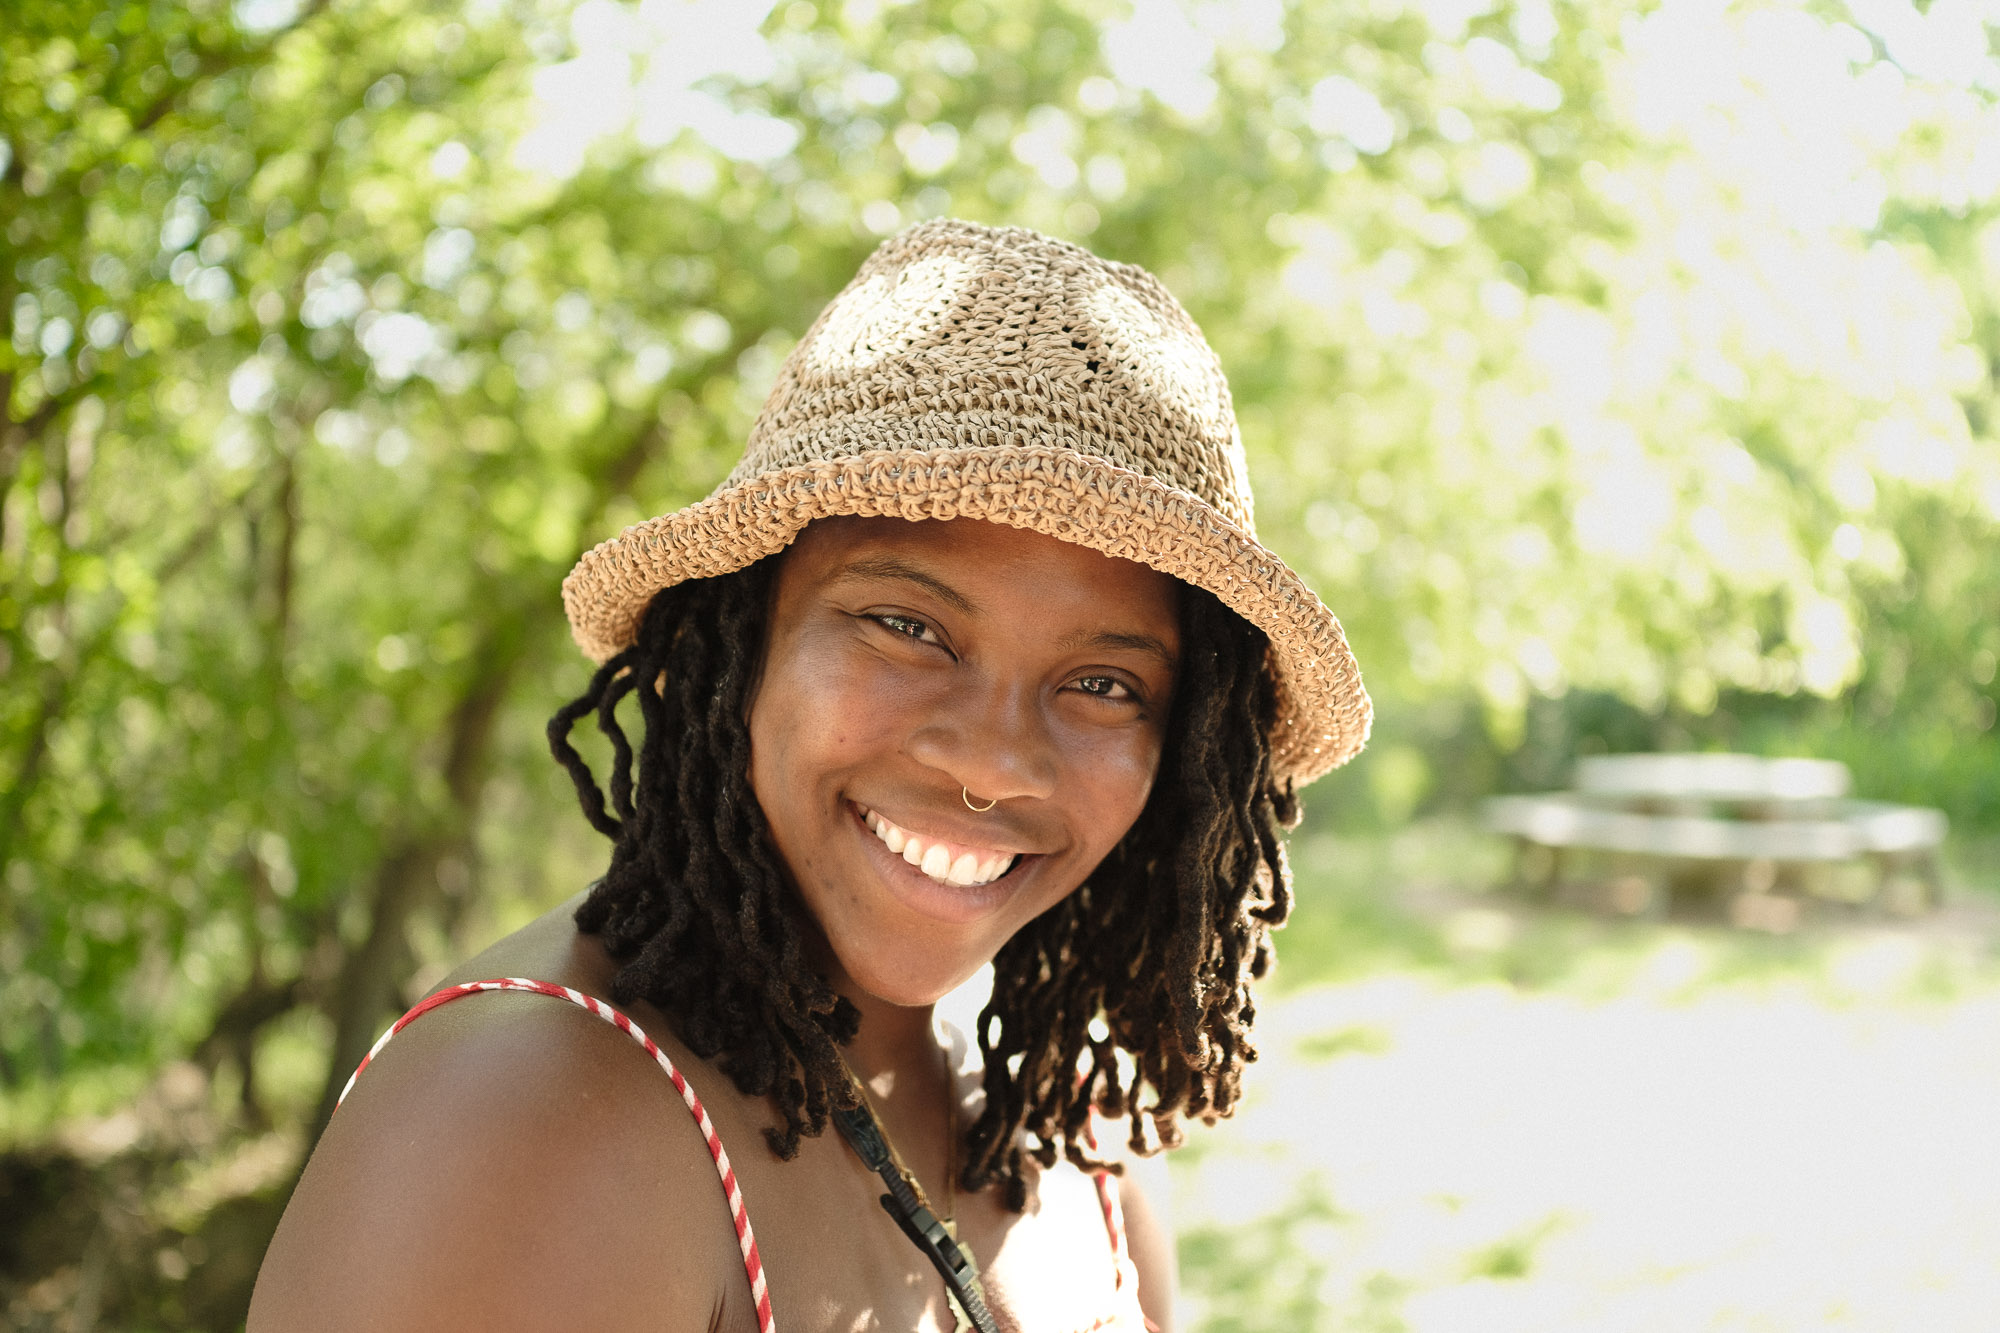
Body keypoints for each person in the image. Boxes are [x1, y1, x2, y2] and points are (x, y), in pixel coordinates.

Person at [249, 218, 1370, 1332]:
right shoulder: (528, 1123)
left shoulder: (1081, 1126)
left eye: (1105, 684)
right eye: (907, 626)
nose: (991, 762)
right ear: (739, 634)